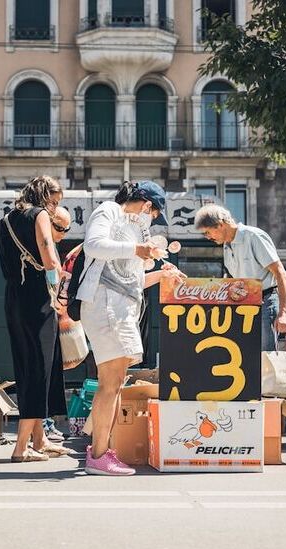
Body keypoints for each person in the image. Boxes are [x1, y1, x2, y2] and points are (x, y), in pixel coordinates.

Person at [77, 180, 186, 475]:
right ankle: (99, 456)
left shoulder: (130, 230)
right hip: (106, 305)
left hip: (116, 307)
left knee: (114, 383)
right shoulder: (110, 211)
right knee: (110, 383)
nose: (151, 220)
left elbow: (132, 283)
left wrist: (161, 275)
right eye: (154, 214)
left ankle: (102, 451)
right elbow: (93, 245)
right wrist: (138, 248)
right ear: (147, 205)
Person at [0, 176, 71, 462]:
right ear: (44, 197)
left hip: (14, 297)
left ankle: (40, 440)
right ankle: (21, 447)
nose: (54, 209)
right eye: (54, 202)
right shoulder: (39, 215)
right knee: (38, 369)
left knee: (29, 365)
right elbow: (50, 258)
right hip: (37, 298)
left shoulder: (4, 221)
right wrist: (60, 283)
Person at [194, 204, 286, 352]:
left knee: (266, 354)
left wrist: (283, 313)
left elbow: (280, 273)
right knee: (245, 354)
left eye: (207, 232)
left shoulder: (254, 236)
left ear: (220, 224)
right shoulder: (226, 245)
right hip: (243, 305)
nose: (207, 237)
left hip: (265, 302)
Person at [43, 206, 73, 444]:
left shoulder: (52, 246)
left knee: (52, 370)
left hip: (51, 311)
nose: (63, 233)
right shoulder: (43, 245)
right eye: (59, 228)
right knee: (44, 370)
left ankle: (48, 423)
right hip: (43, 311)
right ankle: (43, 424)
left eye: (67, 229)